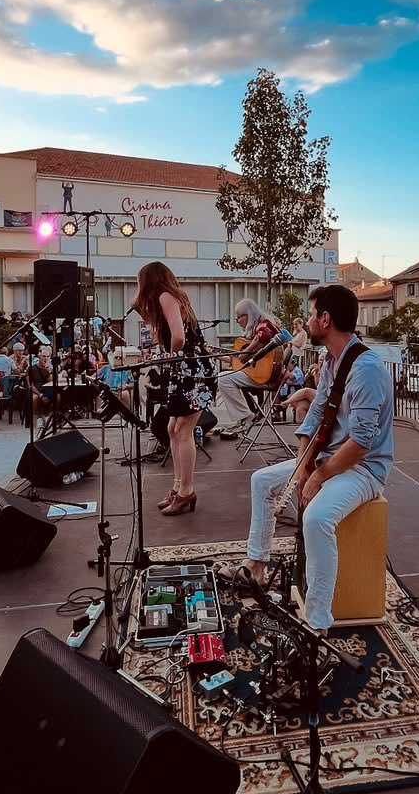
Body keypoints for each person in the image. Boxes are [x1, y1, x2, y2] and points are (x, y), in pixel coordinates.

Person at [241, 285, 394, 636]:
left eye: (311, 314)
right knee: (261, 481)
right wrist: (302, 466)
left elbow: (361, 444)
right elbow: (315, 418)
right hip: (329, 458)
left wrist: (317, 477)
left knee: (316, 518)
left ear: (325, 319)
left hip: (363, 469)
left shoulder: (366, 370)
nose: (307, 320)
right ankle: (256, 566)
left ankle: (318, 621)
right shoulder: (331, 362)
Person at [131, 262, 216, 515]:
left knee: (183, 431)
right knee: (172, 428)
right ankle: (178, 487)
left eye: (139, 280)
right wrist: (145, 313)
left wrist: (168, 356)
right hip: (185, 371)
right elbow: (162, 335)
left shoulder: (166, 296)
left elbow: (178, 337)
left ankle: (187, 491)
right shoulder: (168, 299)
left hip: (192, 371)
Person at [213, 298, 282, 438]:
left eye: (239, 317)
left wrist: (247, 351)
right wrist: (214, 354)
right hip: (258, 375)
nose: (237, 321)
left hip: (269, 376)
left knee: (223, 378)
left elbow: (264, 335)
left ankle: (246, 416)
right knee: (225, 377)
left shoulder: (264, 324)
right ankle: (244, 416)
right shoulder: (251, 334)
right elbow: (236, 361)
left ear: (249, 314)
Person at [99, 347, 134, 411]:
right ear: (113, 358)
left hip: (120, 391)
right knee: (99, 394)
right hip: (106, 391)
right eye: (116, 357)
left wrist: (126, 386)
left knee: (125, 394)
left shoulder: (127, 370)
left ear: (124, 360)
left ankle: (126, 415)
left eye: (120, 357)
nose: (118, 359)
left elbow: (132, 384)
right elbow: (94, 378)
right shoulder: (105, 368)